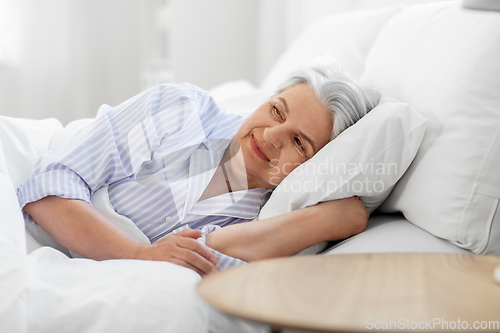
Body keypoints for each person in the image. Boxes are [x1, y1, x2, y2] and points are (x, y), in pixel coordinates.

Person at [18, 61, 380, 276]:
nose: (270, 136)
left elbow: (213, 265)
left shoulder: (274, 215)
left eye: (300, 143)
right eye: (276, 110)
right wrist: (140, 255)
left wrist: (325, 221)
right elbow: (50, 187)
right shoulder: (180, 109)